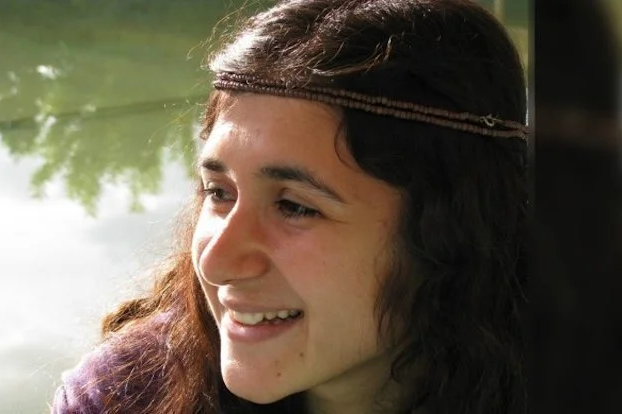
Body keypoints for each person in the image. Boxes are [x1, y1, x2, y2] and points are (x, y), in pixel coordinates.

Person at [51, 0, 528, 413]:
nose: (216, 263)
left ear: (454, 232)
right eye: (219, 192)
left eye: (295, 207)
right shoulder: (123, 397)